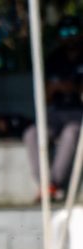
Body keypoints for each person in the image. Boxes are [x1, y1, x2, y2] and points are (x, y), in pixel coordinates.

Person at [23, 16, 83, 203]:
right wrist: (56, 88)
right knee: (32, 132)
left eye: (73, 32)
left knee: (71, 134)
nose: (69, 37)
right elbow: (45, 96)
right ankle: (46, 185)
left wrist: (72, 88)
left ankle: (53, 184)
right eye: (65, 33)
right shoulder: (53, 59)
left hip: (78, 112)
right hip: (55, 112)